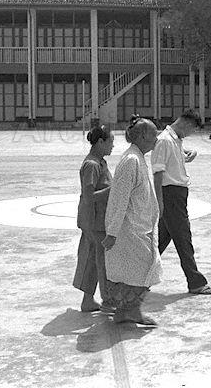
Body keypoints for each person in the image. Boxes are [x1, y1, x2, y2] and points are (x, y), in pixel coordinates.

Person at [102, 115, 162, 326]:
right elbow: (119, 198)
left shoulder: (138, 157)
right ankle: (128, 311)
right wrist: (112, 232)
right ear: (143, 136)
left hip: (140, 228)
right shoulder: (131, 161)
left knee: (139, 271)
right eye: (154, 133)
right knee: (143, 270)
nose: (157, 137)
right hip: (129, 230)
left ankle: (127, 311)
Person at [152, 109, 211, 295]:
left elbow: (173, 160)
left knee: (161, 241)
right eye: (192, 130)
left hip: (176, 194)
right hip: (170, 195)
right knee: (183, 238)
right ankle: (195, 281)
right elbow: (157, 173)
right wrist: (159, 201)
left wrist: (187, 154)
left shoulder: (175, 140)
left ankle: (138, 279)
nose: (191, 134)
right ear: (186, 124)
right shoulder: (164, 140)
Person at [73, 125, 115, 313]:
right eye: (111, 142)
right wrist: (113, 190)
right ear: (100, 142)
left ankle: (88, 300)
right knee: (101, 260)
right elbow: (89, 196)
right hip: (94, 221)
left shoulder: (99, 161)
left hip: (96, 219)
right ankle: (107, 300)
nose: (112, 146)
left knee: (92, 259)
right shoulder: (92, 164)